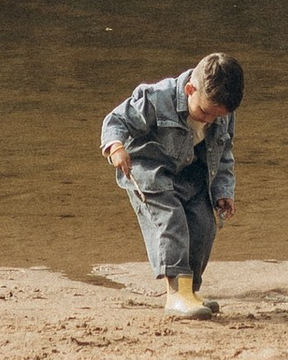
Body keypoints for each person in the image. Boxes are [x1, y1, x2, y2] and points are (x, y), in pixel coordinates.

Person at [104, 52, 244, 320]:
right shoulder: (157, 98)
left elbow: (223, 152)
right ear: (190, 89)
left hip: (190, 173)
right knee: (172, 222)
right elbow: (115, 121)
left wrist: (224, 191)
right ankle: (175, 294)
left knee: (204, 226)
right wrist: (116, 147)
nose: (209, 121)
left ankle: (190, 291)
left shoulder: (220, 113)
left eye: (218, 116)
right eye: (204, 112)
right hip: (149, 171)